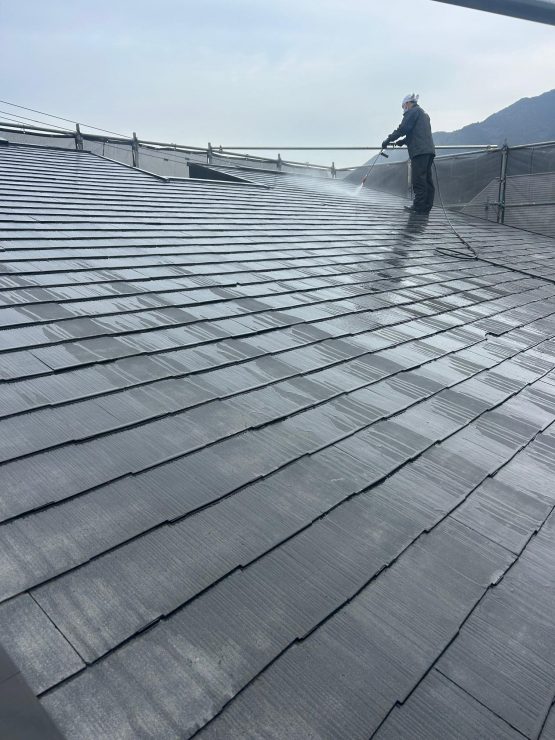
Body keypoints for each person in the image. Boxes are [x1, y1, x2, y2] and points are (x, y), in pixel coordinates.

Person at [382, 94, 436, 214]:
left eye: (403, 106)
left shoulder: (412, 112)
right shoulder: (423, 114)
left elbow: (403, 128)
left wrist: (388, 139)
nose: (403, 109)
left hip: (419, 151)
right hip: (428, 150)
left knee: (419, 179)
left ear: (407, 103)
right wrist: (404, 141)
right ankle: (426, 207)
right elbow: (418, 132)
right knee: (427, 179)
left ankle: (418, 206)